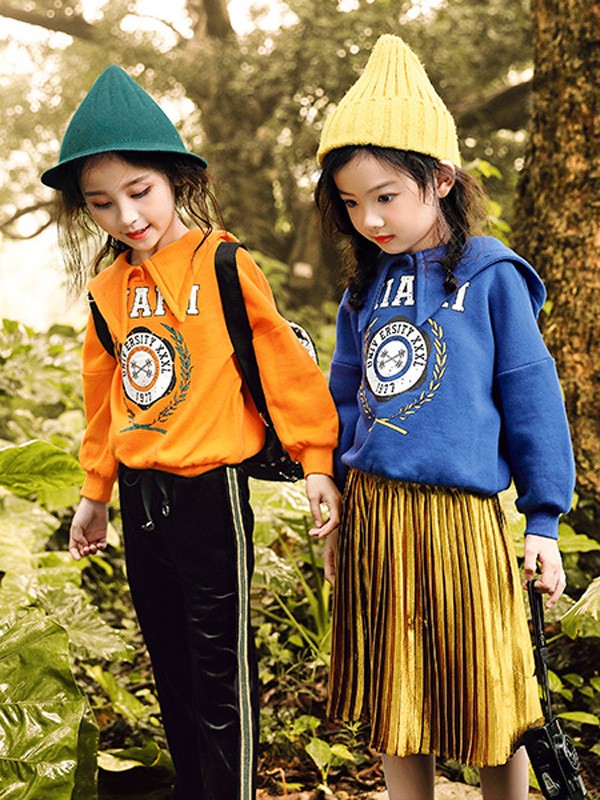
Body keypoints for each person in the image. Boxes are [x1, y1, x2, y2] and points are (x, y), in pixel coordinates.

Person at [41, 65, 341, 800]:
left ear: (175, 179)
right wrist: (95, 493)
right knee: (169, 662)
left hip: (210, 493)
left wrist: (318, 464)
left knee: (219, 666)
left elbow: (285, 372)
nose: (126, 215)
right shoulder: (109, 290)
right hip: (141, 496)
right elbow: (104, 399)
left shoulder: (224, 263)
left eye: (139, 191)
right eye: (101, 203)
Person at [314, 35, 575, 800]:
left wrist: (543, 520)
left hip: (464, 520)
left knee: (492, 690)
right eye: (351, 203)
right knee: (395, 696)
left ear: (440, 179)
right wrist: (331, 488)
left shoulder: (491, 275)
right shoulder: (364, 290)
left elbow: (532, 397)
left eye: (385, 196)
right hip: (378, 517)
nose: (369, 219)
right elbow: (343, 396)